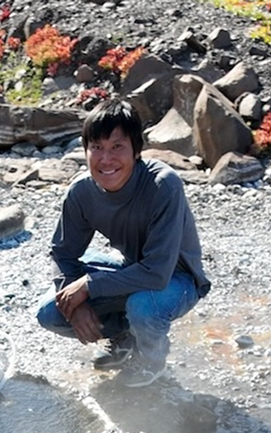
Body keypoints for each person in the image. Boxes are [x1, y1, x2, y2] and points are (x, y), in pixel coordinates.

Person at [35, 98, 211, 388]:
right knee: (52, 312)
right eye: (97, 147)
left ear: (136, 151)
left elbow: (156, 273)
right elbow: (62, 254)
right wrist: (76, 302)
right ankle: (123, 339)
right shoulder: (81, 192)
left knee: (143, 305)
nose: (106, 159)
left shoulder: (163, 185)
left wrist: (89, 285)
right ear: (86, 150)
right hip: (132, 270)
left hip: (177, 280)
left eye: (117, 147)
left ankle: (150, 360)